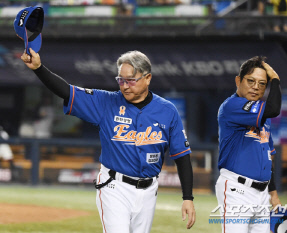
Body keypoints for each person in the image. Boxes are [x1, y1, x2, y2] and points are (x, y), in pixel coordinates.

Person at [21, 48, 196, 232]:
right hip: (115, 187)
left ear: (148, 78)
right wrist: (39, 68)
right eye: (121, 80)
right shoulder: (106, 102)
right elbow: (67, 92)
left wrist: (188, 197)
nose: (125, 85)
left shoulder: (167, 111)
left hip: (149, 191)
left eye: (131, 80)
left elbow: (182, 156)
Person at [216, 56, 282, 233]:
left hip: (261, 195)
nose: (255, 87)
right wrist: (274, 78)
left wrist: (273, 193)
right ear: (238, 81)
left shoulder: (262, 117)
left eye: (262, 83)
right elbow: (274, 109)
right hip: (237, 190)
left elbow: (268, 157)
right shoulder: (232, 105)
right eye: (251, 81)